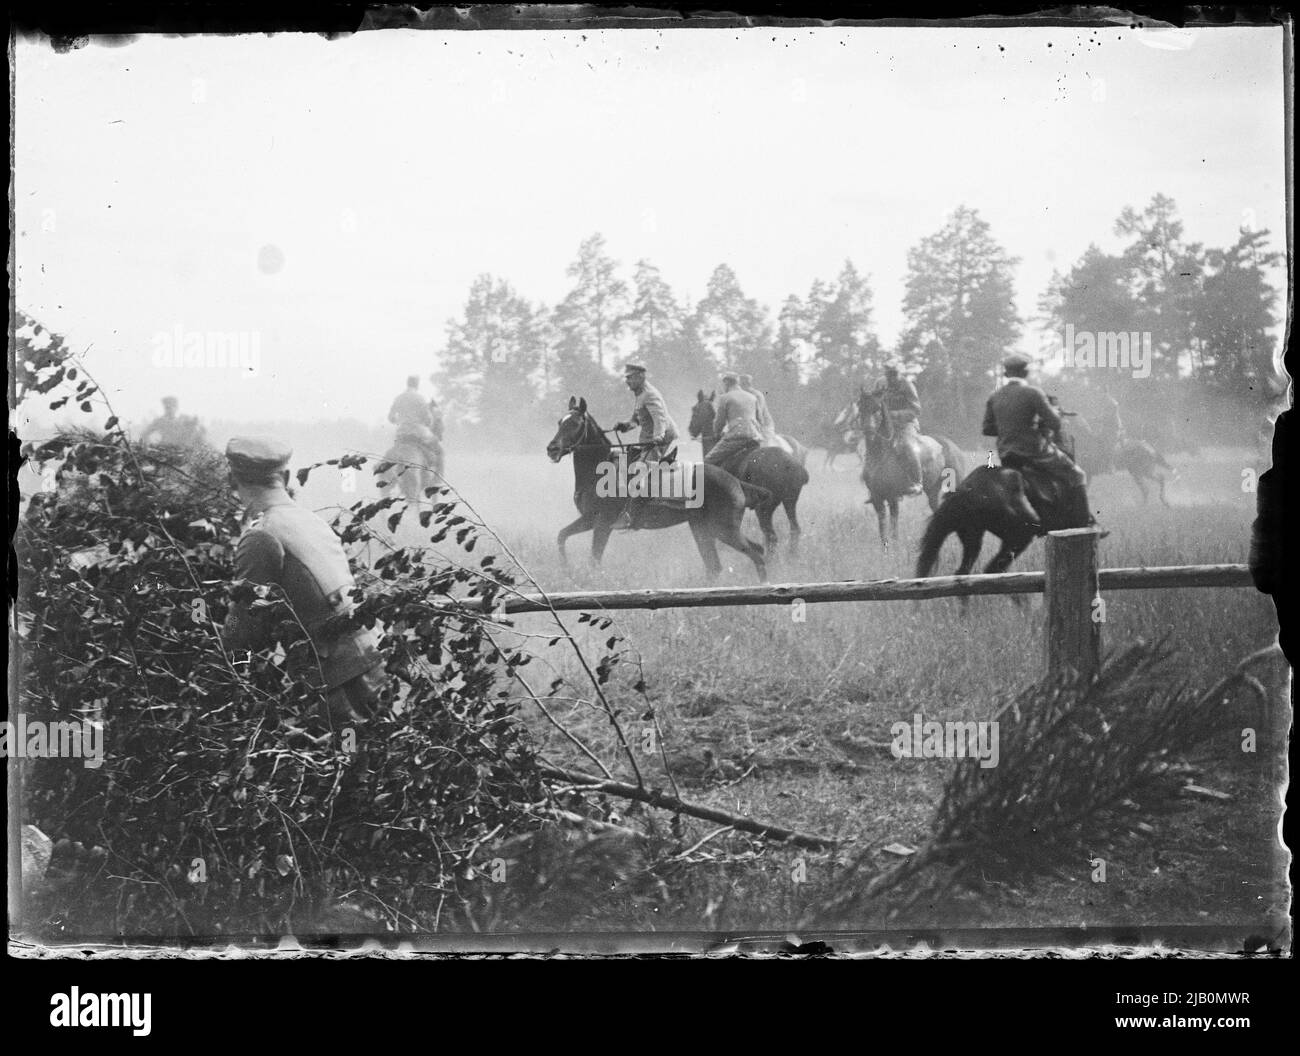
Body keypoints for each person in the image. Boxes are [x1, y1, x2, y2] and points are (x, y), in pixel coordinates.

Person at [222, 436, 385, 728]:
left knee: (341, 762)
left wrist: (229, 675)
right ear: (284, 477)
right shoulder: (308, 520)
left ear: (232, 480)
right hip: (366, 659)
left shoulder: (261, 535)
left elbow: (243, 629)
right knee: (367, 757)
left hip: (336, 677)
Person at [982, 354, 1099, 530]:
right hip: (1035, 452)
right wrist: (1048, 417)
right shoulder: (1033, 393)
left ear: (1006, 374)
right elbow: (1055, 423)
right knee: (1078, 475)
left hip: (1007, 455)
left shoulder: (994, 396)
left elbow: (987, 429)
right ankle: (1085, 524)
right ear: (1026, 372)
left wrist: (1009, 427)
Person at [613, 363, 679, 528]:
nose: (627, 381)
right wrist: (625, 425)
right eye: (626, 378)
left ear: (641, 377)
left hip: (660, 440)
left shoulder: (650, 394)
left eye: (630, 377)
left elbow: (659, 418)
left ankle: (632, 517)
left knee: (639, 472)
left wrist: (658, 436)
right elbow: (636, 419)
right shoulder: (640, 394)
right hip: (649, 440)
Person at [872, 360, 924, 494]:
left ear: (899, 373)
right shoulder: (880, 383)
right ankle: (873, 482)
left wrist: (895, 414)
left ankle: (917, 482)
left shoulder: (907, 385)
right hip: (885, 425)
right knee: (871, 445)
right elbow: (874, 403)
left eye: (894, 374)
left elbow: (916, 409)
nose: (891, 377)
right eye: (888, 374)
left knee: (908, 446)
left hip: (906, 424)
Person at [705, 372, 762, 475]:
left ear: (726, 383)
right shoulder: (752, 397)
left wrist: (717, 433)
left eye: (723, 384)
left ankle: (700, 491)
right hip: (755, 437)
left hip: (736, 437)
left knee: (706, 462)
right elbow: (760, 420)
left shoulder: (725, 397)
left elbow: (719, 423)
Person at [388, 376, 440, 468]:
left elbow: (391, 418)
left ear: (407, 384)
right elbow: (428, 419)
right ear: (417, 385)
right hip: (418, 432)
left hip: (402, 432)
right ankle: (437, 480)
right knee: (439, 451)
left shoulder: (399, 398)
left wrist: (399, 421)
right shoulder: (420, 398)